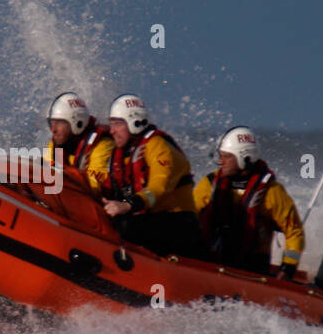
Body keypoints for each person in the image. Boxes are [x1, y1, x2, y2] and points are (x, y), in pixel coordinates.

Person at [193, 126, 305, 277]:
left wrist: (288, 268)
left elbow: (294, 232)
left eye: (227, 157)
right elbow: (189, 213)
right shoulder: (210, 184)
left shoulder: (272, 192)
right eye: (220, 155)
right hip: (211, 259)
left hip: (252, 268)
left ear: (244, 158)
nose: (221, 161)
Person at [100, 94, 202, 258]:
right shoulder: (122, 154)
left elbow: (158, 187)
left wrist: (128, 205)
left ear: (134, 122)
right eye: (111, 124)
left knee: (125, 226)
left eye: (117, 124)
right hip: (151, 220)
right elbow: (106, 188)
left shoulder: (159, 146)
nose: (112, 131)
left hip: (180, 223)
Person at [44, 92, 113, 194]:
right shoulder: (55, 143)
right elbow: (46, 170)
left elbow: (96, 184)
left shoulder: (103, 144)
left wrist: (64, 174)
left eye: (58, 123)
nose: (53, 130)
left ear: (77, 123)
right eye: (51, 124)